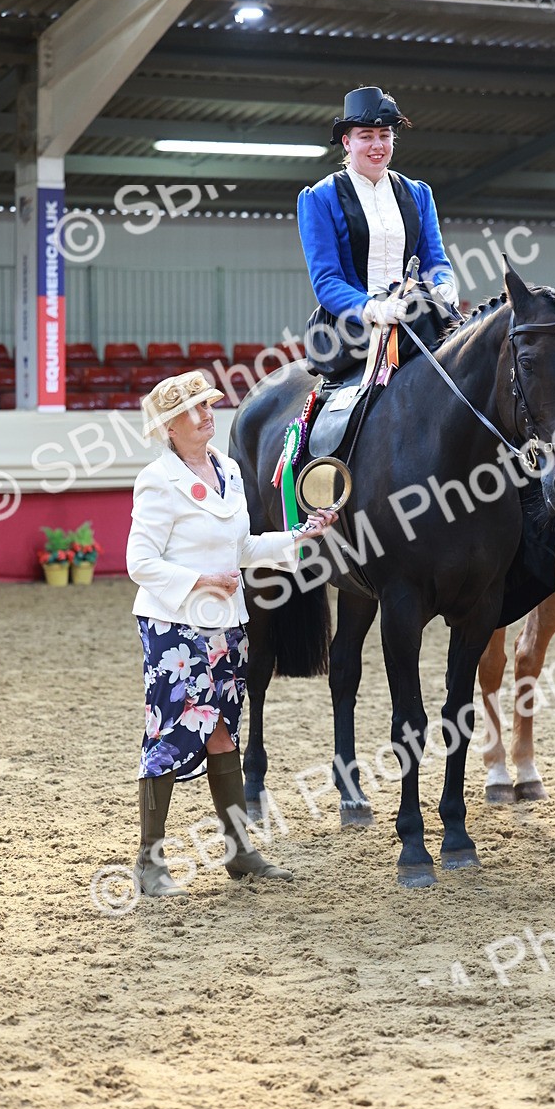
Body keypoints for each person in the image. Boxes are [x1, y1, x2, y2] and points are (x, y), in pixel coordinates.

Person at [127, 371, 337, 898]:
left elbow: (241, 549)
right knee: (169, 736)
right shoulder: (157, 480)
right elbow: (138, 562)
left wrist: (299, 537)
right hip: (174, 627)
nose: (206, 415)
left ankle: (239, 851)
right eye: (194, 410)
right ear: (170, 427)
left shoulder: (230, 471)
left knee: (223, 731)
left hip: (227, 625)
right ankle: (148, 862)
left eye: (207, 406)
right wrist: (199, 579)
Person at [297, 85, 460, 379]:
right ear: (347, 142)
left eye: (385, 136)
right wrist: (371, 308)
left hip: (415, 310)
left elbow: (434, 259)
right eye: (366, 137)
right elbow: (326, 280)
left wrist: (444, 284)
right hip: (353, 322)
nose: (377, 145)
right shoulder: (320, 198)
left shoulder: (419, 194)